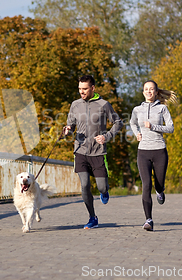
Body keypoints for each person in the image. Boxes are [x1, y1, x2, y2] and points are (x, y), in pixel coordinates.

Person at [63, 75, 123, 229]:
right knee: (84, 186)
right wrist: (68, 131)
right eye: (79, 89)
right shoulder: (75, 105)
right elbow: (70, 126)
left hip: (97, 151)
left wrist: (107, 136)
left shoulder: (104, 104)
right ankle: (92, 217)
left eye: (84, 89)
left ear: (92, 88)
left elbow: (118, 122)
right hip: (80, 150)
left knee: (101, 187)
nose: (81, 92)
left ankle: (104, 191)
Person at [130, 80, 176, 231]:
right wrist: (137, 133)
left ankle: (160, 190)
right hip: (143, 151)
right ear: (143, 92)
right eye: (146, 89)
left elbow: (170, 128)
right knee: (146, 185)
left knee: (158, 183)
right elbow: (132, 123)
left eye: (151, 89)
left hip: (159, 150)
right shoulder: (137, 109)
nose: (149, 91)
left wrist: (153, 126)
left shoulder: (162, 108)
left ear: (156, 92)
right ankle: (148, 220)